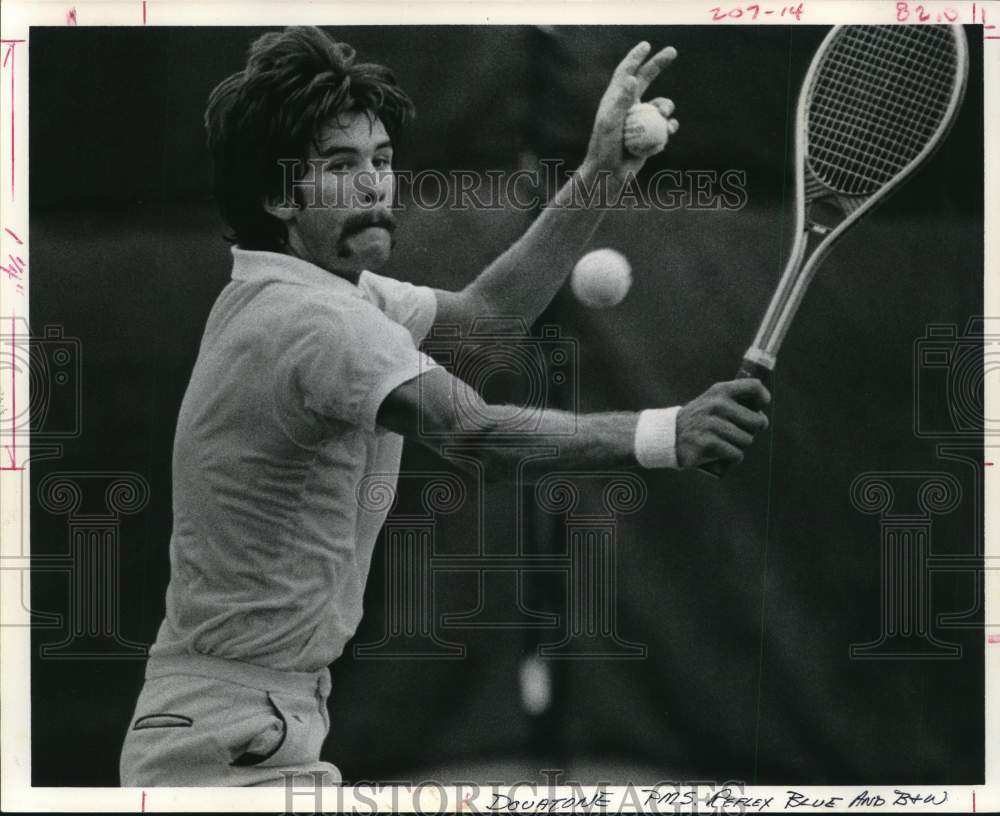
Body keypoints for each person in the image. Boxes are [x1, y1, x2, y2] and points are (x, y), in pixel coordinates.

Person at [119, 25, 770, 787]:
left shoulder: (315, 292)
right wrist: (666, 432)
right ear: (275, 195)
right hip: (225, 744)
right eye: (339, 166)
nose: (373, 185)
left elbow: (486, 321)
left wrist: (601, 172)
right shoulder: (315, 321)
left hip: (247, 722)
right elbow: (472, 431)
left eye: (382, 162)